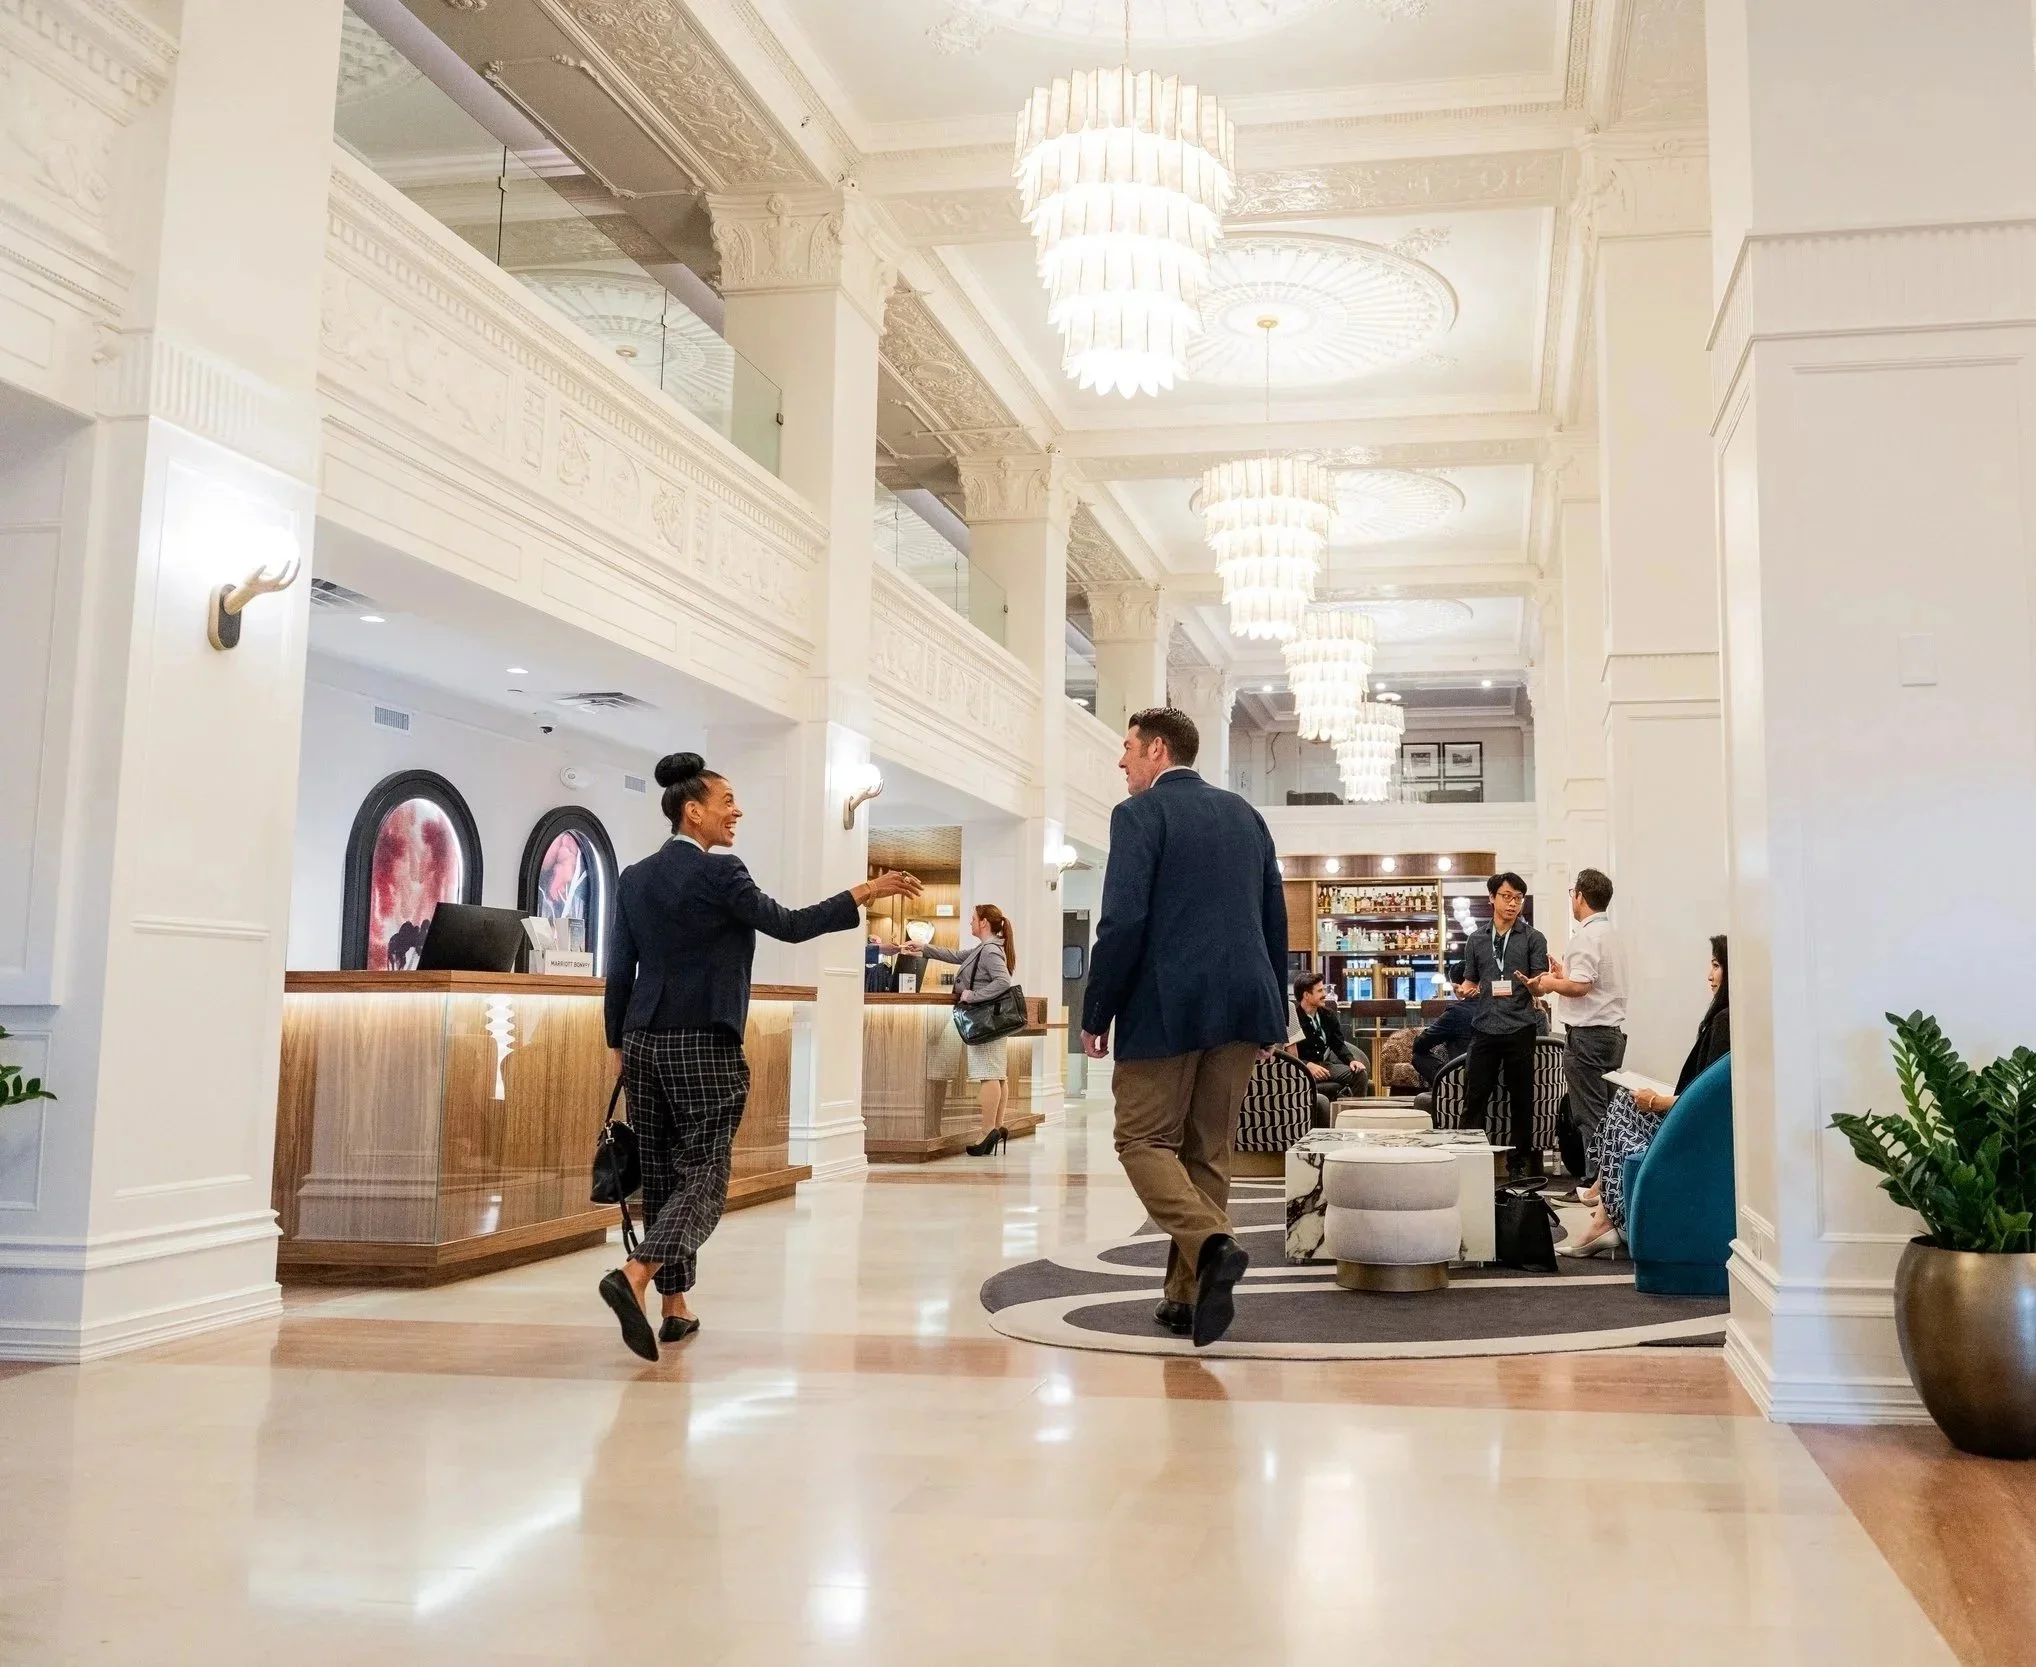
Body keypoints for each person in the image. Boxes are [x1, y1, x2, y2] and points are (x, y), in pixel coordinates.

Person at [598, 751, 921, 1360]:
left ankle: (674, 1307)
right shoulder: (722, 875)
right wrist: (866, 890)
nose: (736, 810)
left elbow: (619, 969)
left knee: (665, 1173)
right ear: (694, 813)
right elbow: (792, 925)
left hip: (642, 1039)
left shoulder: (634, 877)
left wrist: (616, 1041)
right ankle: (635, 1274)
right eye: (726, 802)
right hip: (705, 1040)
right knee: (705, 1176)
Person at [1081, 707, 1287, 1348]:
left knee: (1141, 1140)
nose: (1121, 762)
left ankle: (1213, 1243)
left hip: (1164, 1003)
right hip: (1244, 1005)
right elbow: (1273, 917)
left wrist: (1096, 1011)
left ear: (1157, 750)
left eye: (1127, 749)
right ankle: (1185, 1296)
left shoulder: (1139, 815)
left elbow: (1122, 922)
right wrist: (1275, 1009)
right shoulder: (1247, 815)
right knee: (1208, 1151)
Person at [1561, 935, 1729, 1258]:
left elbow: (1707, 1099)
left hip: (1695, 1128)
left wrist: (1656, 1101)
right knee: (1625, 1098)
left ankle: (1603, 1211)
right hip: (1692, 1116)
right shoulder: (1723, 1019)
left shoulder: (1724, 1022)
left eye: (1717, 966)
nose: (1710, 975)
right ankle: (1603, 1204)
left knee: (1626, 1104)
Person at [884, 904, 1017, 1156]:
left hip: (983, 1019)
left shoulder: (989, 951)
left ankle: (987, 1130)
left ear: (985, 923)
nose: (970, 923)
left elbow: (1003, 982)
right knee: (997, 1074)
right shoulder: (987, 948)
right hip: (992, 1020)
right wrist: (923, 948)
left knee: (988, 1073)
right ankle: (996, 1127)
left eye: (973, 919)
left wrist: (972, 994)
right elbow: (957, 956)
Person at [1531, 867, 1628, 1184]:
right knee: (1606, 1111)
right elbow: (1592, 983)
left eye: (1572, 893)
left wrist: (1549, 983)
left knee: (1590, 1114)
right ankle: (1608, 1184)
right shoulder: (1610, 934)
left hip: (1587, 1037)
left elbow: (1582, 987)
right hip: (1610, 1035)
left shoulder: (1586, 936)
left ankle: (1595, 1185)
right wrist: (1564, 977)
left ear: (1580, 896)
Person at [1455, 871, 1551, 1181]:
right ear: (1492, 898)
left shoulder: (1533, 938)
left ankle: (1519, 1163)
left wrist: (1534, 986)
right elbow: (1470, 980)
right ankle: (1468, 1157)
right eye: (1507, 896)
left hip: (1520, 1026)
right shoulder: (1476, 939)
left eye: (1519, 898)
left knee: (1521, 1097)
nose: (1513, 903)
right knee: (1475, 1096)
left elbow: (1540, 986)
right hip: (1484, 1026)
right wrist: (1463, 989)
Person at [1292, 973, 1368, 1124]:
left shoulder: (1328, 1015)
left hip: (1325, 1065)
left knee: (1360, 1074)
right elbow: (1286, 1053)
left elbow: (1338, 1043)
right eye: (1319, 991)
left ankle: (1350, 1119)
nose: (1324, 994)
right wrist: (1307, 1065)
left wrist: (1351, 1061)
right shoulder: (1293, 1017)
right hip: (1302, 1067)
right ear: (1306, 995)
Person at [1411, 980, 1475, 1088]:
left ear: (1460, 987)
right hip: (1498, 1075)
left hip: (1464, 1077)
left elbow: (1421, 1043)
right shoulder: (1497, 1007)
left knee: (1418, 1057)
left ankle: (1446, 1090)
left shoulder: (1457, 1011)